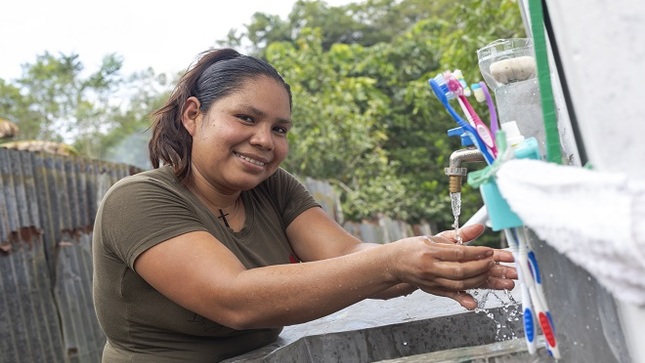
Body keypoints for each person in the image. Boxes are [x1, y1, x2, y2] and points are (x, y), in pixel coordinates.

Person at [92, 48, 517, 362]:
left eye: (279, 128)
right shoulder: (138, 200)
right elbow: (235, 300)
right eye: (246, 118)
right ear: (192, 115)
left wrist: (427, 258)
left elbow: (348, 256)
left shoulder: (273, 188)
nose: (264, 140)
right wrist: (395, 262)